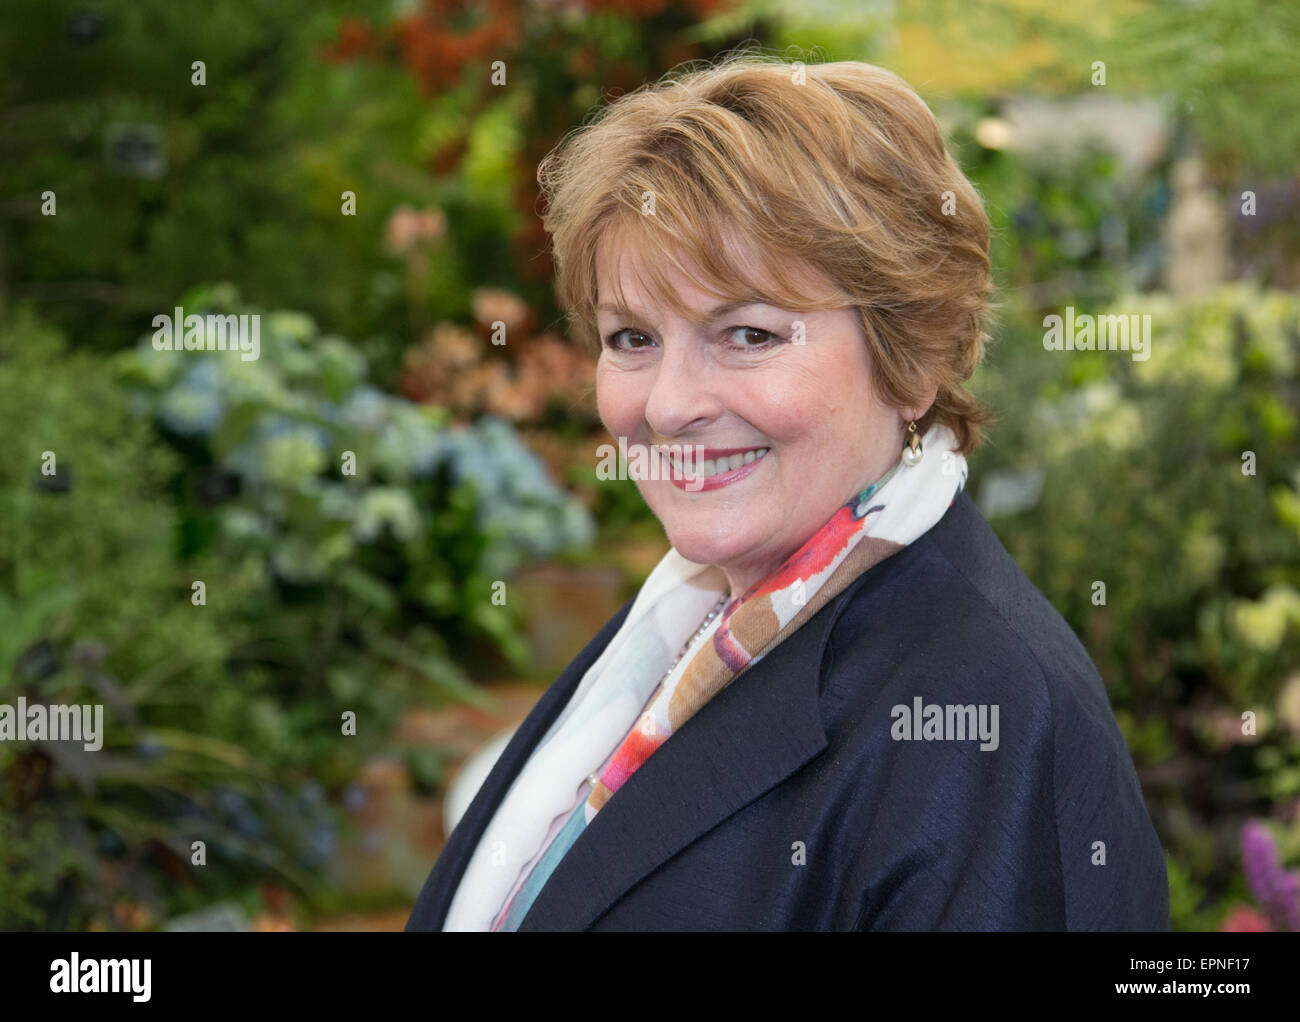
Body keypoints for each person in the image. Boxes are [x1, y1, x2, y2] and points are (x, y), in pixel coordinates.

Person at [406, 52, 1170, 931]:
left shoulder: (976, 719)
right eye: (631, 336)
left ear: (910, 354)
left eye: (750, 334)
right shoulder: (696, 624)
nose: (669, 405)